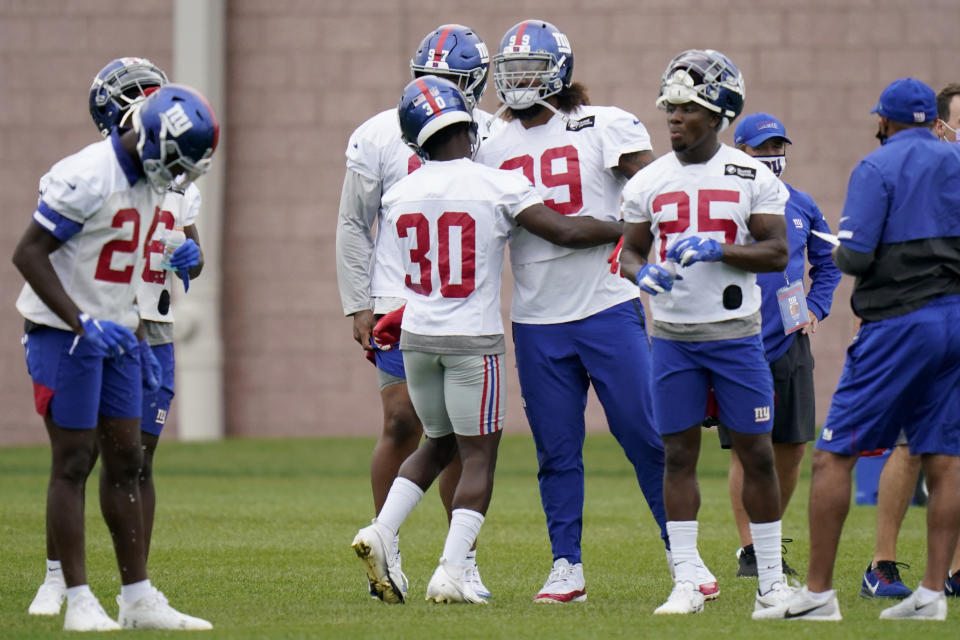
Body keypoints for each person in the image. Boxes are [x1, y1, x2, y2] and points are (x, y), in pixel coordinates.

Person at [350, 75, 625, 604]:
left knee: (438, 443)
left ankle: (382, 529)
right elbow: (564, 231)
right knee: (478, 456)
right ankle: (452, 569)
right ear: (465, 127)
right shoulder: (495, 183)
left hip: (418, 336)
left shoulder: (401, 191)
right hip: (471, 339)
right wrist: (625, 227)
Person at [474, 18, 711, 605]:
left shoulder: (603, 122)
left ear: (559, 72)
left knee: (647, 437)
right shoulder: (488, 140)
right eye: (512, 70)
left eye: (532, 68)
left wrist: (661, 233)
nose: (520, 80)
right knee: (556, 451)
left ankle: (683, 555)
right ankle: (566, 566)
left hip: (608, 306)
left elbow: (657, 181)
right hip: (536, 317)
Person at [12, 84, 217, 632]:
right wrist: (81, 321)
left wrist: (130, 327)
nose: (176, 178)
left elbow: (125, 265)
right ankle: (76, 596)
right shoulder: (86, 174)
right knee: (75, 459)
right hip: (63, 332)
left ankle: (136, 597)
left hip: (120, 333)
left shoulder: (154, 181)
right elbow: (28, 253)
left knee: (128, 459)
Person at [763, 78, 960, 621]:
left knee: (832, 455)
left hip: (899, 321)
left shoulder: (875, 168)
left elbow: (852, 258)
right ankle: (932, 595)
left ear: (885, 121)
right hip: (955, 320)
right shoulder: (957, 159)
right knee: (945, 458)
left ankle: (819, 596)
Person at [617, 49, 794, 617]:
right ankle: (687, 580)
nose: (673, 117)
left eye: (687, 108)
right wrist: (640, 272)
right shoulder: (648, 181)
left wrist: (723, 249)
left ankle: (771, 582)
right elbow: (630, 251)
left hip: (737, 336)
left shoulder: (751, 175)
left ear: (716, 115)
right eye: (670, 106)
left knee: (758, 454)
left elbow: (777, 252)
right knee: (677, 455)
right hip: (672, 336)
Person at [335, 24, 496, 600]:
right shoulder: (380, 133)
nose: (437, 94)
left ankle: (460, 560)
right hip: (396, 300)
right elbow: (354, 223)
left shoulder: (491, 132)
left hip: (464, 302)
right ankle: (390, 548)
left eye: (450, 82)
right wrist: (357, 303)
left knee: (455, 430)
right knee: (405, 422)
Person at [717, 112, 841, 578]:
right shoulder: (725, 200)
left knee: (791, 446)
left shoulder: (802, 204)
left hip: (790, 339)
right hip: (738, 337)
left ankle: (770, 530)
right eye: (762, 149)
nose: (773, 157)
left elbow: (828, 261)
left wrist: (816, 307)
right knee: (750, 448)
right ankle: (751, 549)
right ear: (740, 152)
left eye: (778, 148)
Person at [859, 81, 960, 601]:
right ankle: (881, 565)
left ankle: (954, 571)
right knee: (911, 446)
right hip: (920, 325)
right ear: (940, 125)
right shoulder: (906, 174)